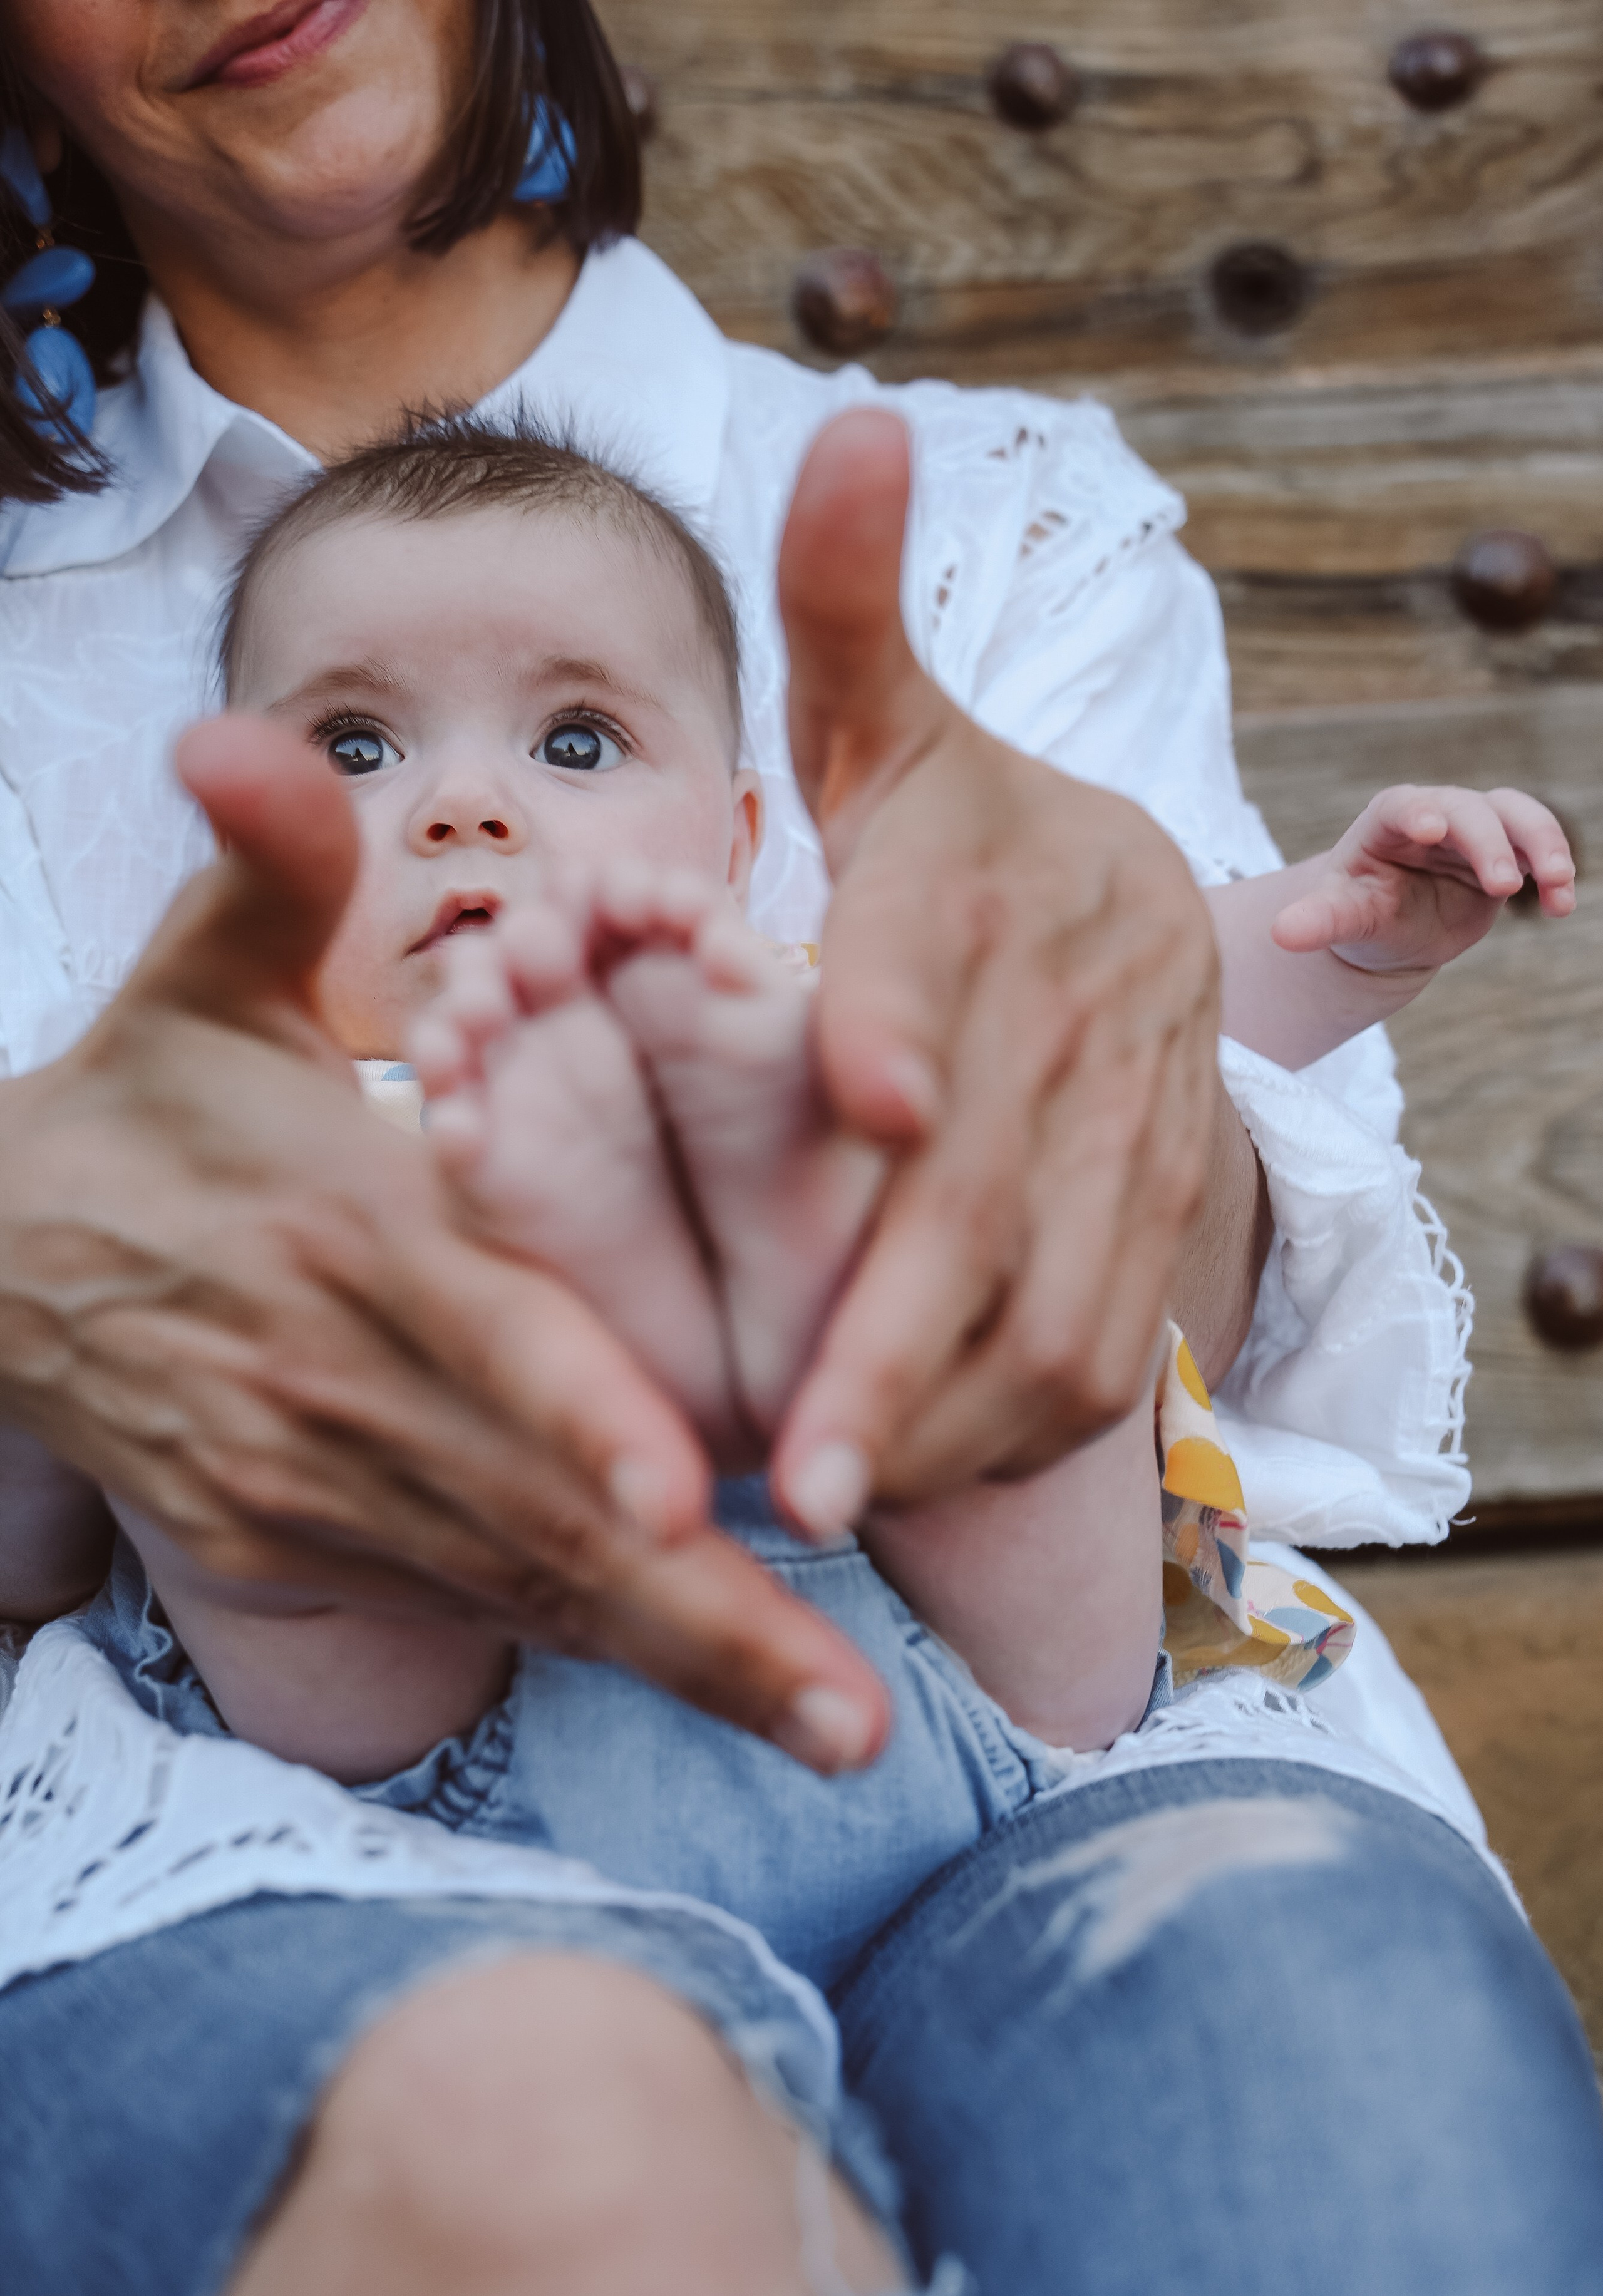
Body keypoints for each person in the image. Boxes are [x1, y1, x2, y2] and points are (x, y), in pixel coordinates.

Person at [1, 7, 1601, 2294]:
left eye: (575, 742)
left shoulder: (809, 955)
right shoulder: (287, 1087)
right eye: (351, 753)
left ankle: (829, 1310)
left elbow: (1171, 979)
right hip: (402, 1782)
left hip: (992, 1704)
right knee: (264, 1411)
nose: (465, 810)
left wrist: (1334, 929)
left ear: (739, 818)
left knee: (955, 1170)